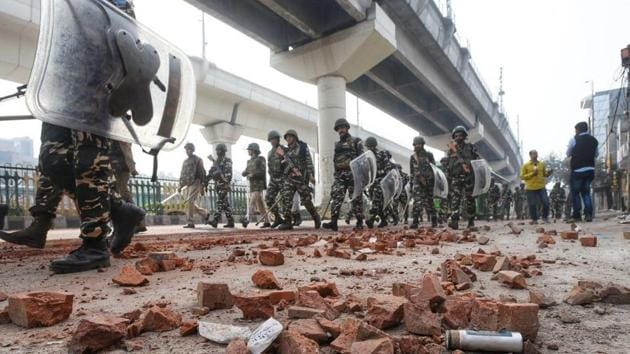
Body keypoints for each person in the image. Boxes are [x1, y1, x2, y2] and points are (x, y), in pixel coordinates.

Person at [323, 118, 364, 231]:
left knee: (356, 198)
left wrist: (360, 176)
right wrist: (336, 175)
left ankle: (360, 222)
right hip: (340, 175)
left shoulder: (356, 141)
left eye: (342, 127)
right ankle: (334, 221)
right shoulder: (337, 145)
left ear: (347, 128)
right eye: (339, 128)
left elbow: (362, 158)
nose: (341, 130)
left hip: (353, 175)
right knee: (336, 196)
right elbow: (335, 161)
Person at [277, 130, 321, 230]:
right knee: (286, 198)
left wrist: (311, 175)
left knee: (306, 200)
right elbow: (282, 166)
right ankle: (287, 221)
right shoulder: (286, 151)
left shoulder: (303, 147)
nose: (288, 139)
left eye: (290, 137)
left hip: (301, 178)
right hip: (290, 178)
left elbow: (309, 161)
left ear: (295, 137)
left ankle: (316, 217)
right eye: (286, 137)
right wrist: (283, 162)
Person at [446, 126, 479, 230]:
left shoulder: (470, 147)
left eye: (461, 135)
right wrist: (449, 177)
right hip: (456, 178)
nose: (458, 137)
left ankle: (471, 222)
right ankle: (454, 221)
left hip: (468, 176)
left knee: (470, 199)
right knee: (455, 200)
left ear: (465, 136)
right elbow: (448, 165)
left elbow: (477, 161)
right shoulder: (451, 150)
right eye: (456, 136)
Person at [110, 141, 146, 232]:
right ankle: (133, 223)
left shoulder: (119, 135)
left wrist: (132, 168)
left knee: (123, 194)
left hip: (120, 168)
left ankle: (138, 222)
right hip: (113, 168)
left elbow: (126, 150)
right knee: (117, 195)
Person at [566, 121, 598, 222]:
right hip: (590, 169)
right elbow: (596, 154)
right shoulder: (594, 140)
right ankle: (588, 215)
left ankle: (577, 215)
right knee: (586, 192)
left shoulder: (574, 139)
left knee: (575, 193)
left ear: (578, 130)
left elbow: (568, 153)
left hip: (577, 170)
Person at [364, 137, 395, 228]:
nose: (369, 148)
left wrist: (386, 177)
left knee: (376, 200)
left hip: (381, 181)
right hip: (373, 182)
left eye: (371, 146)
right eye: (368, 147)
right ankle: (384, 220)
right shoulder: (367, 157)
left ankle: (371, 219)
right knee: (378, 203)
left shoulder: (382, 154)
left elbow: (388, 167)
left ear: (374, 146)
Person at [178, 143, 209, 229]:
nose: (188, 151)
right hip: (188, 184)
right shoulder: (185, 161)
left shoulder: (198, 159)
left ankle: (190, 222)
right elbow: (182, 174)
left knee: (189, 201)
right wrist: (180, 186)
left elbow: (202, 173)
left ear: (193, 150)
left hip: (196, 182)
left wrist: (203, 185)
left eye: (189, 149)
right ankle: (205, 213)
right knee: (189, 203)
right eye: (187, 149)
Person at [409, 136, 437, 228]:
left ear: (422, 144)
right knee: (417, 201)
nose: (417, 146)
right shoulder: (413, 157)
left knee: (430, 201)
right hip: (417, 181)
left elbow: (434, 169)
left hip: (429, 181)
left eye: (419, 144)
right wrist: (411, 184)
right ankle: (415, 221)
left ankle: (434, 220)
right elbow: (412, 172)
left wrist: (432, 180)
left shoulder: (429, 155)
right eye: (416, 144)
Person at [520, 149, 552, 224]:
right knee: (532, 204)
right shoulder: (526, 165)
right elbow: (522, 177)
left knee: (546, 202)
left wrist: (549, 173)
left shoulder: (541, 164)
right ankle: (534, 219)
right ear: (530, 155)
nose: (536, 155)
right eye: (534, 154)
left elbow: (545, 174)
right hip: (530, 188)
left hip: (541, 187)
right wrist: (532, 174)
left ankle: (545, 217)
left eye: (536, 153)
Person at [242, 143, 269, 228]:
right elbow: (246, 171)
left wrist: (252, 175)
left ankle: (247, 219)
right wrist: (244, 173)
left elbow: (262, 171)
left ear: (253, 150)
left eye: (249, 149)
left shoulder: (260, 159)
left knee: (252, 201)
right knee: (260, 204)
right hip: (252, 185)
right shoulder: (249, 161)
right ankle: (267, 221)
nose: (248, 151)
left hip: (259, 184)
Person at [207, 144, 234, 228]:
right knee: (225, 204)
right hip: (218, 185)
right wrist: (205, 180)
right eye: (217, 150)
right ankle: (230, 221)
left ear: (223, 151)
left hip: (224, 184)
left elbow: (228, 174)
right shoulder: (216, 162)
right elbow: (211, 173)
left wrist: (225, 180)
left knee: (220, 202)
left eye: (219, 150)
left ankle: (215, 220)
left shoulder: (227, 160)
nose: (218, 152)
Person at [265, 130, 285, 228]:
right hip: (273, 179)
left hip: (283, 178)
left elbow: (289, 163)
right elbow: (269, 166)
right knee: (268, 198)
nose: (273, 141)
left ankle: (288, 220)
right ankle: (277, 217)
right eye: (271, 140)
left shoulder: (283, 150)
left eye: (275, 139)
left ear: (278, 140)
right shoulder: (269, 153)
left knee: (286, 200)